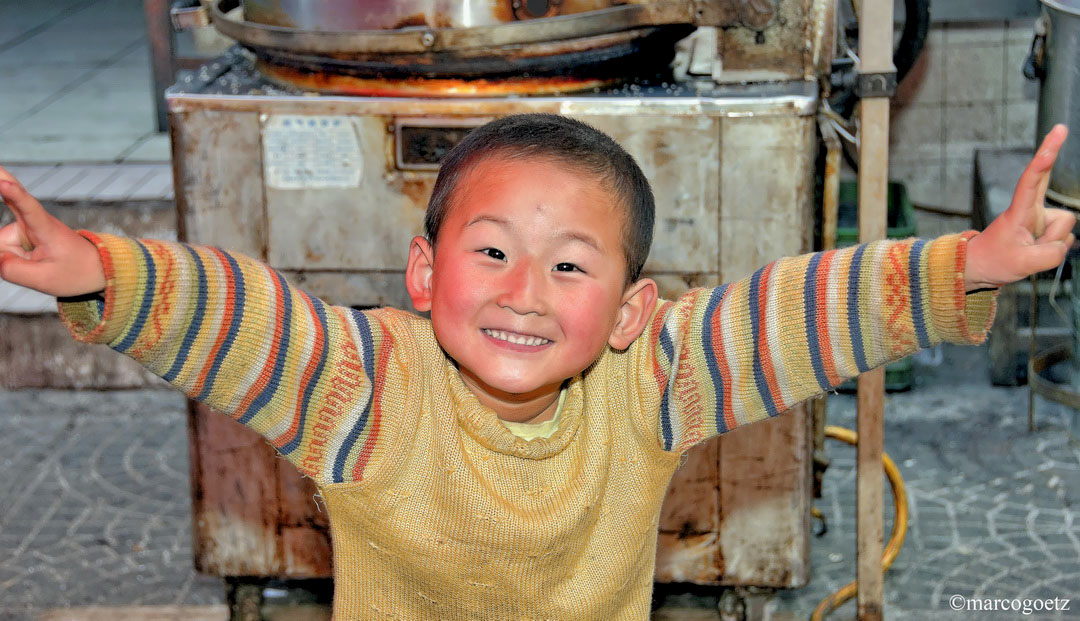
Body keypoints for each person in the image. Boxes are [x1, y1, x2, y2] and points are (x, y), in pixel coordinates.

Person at [0, 114, 1074, 619]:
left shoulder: (649, 383)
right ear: (423, 272)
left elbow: (787, 316)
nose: (524, 291)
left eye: (569, 264)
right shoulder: (362, 387)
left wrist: (968, 262)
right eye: (492, 251)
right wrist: (92, 267)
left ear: (629, 311)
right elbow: (240, 316)